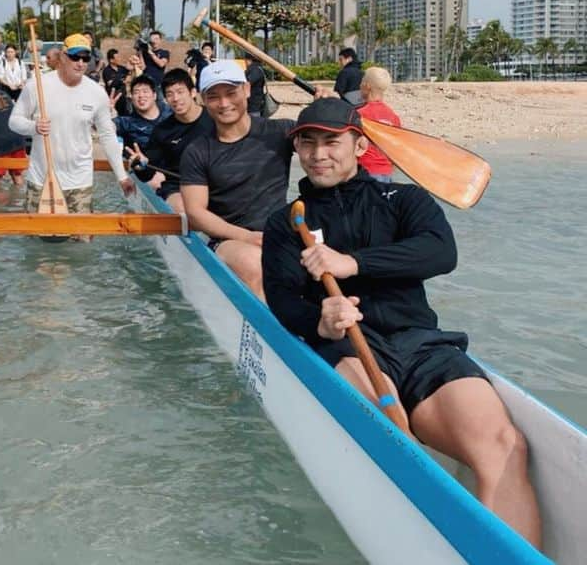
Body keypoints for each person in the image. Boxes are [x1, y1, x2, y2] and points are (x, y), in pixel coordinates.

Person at [262, 98, 541, 547]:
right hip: (349, 349)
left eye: (331, 142)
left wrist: (351, 263)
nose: (318, 154)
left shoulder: (405, 199)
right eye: (307, 143)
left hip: (422, 346)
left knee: (506, 445)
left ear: (358, 145)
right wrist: (322, 321)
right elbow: (282, 299)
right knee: (394, 443)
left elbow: (440, 253)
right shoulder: (287, 222)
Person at [179, 60, 296, 300]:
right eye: (213, 97)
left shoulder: (281, 132)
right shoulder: (197, 151)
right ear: (202, 99)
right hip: (228, 240)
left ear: (247, 90)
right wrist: (246, 237)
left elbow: (324, 147)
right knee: (254, 264)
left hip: (279, 234)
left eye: (231, 93)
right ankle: (275, 333)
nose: (224, 104)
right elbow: (195, 213)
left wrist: (327, 104)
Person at [9, 33, 134, 221]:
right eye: (75, 57)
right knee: (38, 247)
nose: (81, 63)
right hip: (41, 180)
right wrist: (34, 127)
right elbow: (14, 121)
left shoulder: (96, 92)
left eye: (85, 58)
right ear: (62, 57)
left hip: (80, 182)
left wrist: (121, 176)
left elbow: (107, 136)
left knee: (83, 244)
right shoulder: (37, 86)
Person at [129, 68, 214, 213]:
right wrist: (140, 165)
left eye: (180, 92)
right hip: (178, 187)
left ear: (193, 93)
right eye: (169, 94)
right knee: (185, 207)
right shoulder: (162, 131)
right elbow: (147, 173)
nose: (175, 99)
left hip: (215, 184)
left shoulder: (216, 119)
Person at [356, 66, 401, 183]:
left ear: (367, 86)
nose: (359, 86)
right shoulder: (393, 117)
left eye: (361, 82)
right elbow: (395, 150)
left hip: (365, 171)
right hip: (386, 173)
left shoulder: (360, 114)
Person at [113, 74, 164, 149]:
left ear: (154, 95)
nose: (141, 95)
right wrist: (106, 114)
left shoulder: (170, 113)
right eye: (136, 92)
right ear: (131, 98)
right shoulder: (127, 123)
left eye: (145, 91)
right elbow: (106, 126)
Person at [101, 48, 130, 116]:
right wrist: (122, 79)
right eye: (117, 57)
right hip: (113, 100)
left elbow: (129, 75)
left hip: (123, 98)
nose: (119, 59)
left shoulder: (122, 68)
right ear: (111, 60)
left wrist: (129, 70)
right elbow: (111, 84)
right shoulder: (107, 71)